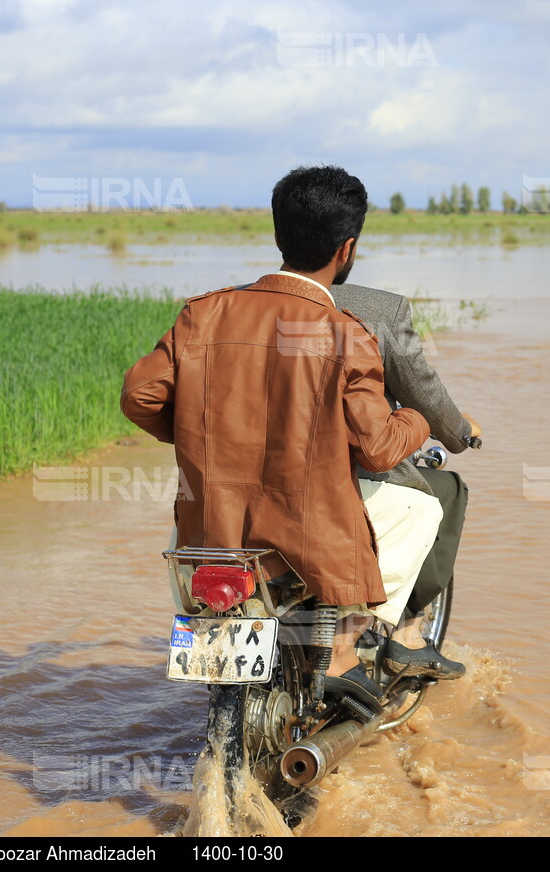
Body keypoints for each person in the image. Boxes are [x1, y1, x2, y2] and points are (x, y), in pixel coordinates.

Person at [122, 165, 430, 706]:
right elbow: (379, 449)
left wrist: (204, 435)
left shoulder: (204, 314)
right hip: (310, 534)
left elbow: (139, 397)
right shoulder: (345, 333)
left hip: (212, 528)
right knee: (423, 510)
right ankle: (341, 647)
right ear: (347, 248)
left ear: (278, 234)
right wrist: (418, 421)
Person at [331, 280, 481, 680]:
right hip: (350, 474)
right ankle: (407, 635)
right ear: (347, 247)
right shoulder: (378, 310)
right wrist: (457, 430)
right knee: (444, 492)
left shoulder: (228, 305)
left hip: (238, 485)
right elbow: (422, 395)